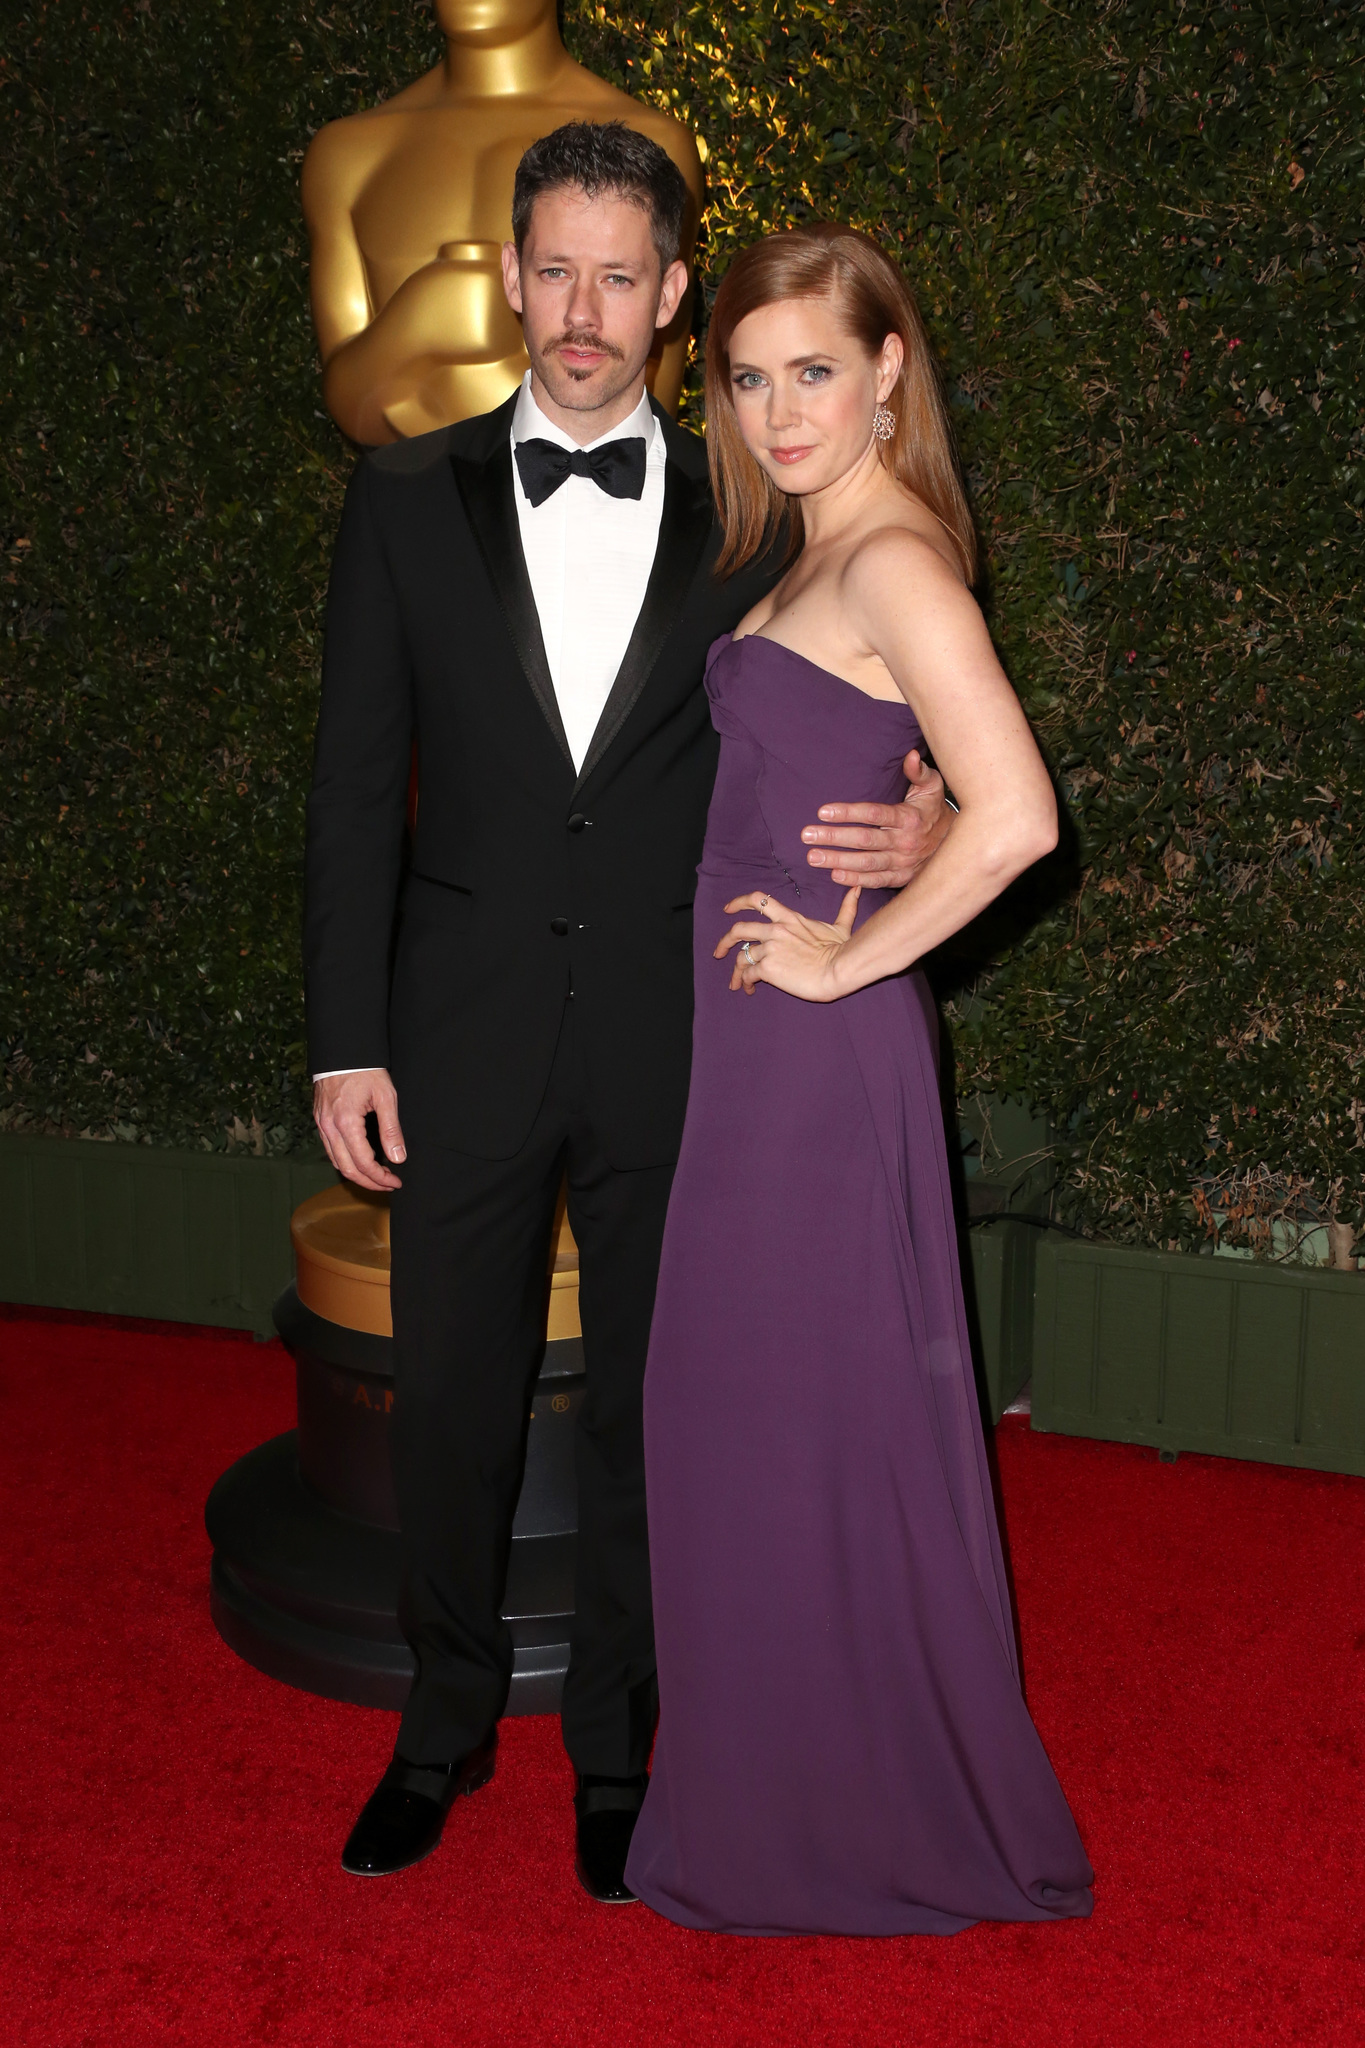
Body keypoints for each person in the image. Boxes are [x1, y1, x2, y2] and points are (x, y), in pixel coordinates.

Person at [304, 127, 949, 1899]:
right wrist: (344, 1036)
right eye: (555, 268)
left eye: (623, 275)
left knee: (654, 1412)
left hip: (698, 1033)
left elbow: (909, 699)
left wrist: (927, 826)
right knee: (451, 1396)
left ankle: (617, 1745)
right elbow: (355, 789)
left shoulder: (761, 504)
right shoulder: (402, 495)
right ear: (511, 274)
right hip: (459, 1030)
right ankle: (438, 1728)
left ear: (673, 297)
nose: (584, 311)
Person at [624, 224, 1095, 1935]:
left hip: (813, 1060)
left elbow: (1022, 813)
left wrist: (858, 945)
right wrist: (900, 857)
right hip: (763, 1056)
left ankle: (825, 1818)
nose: (774, 410)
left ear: (890, 367)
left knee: (771, 1424)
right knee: (770, 1426)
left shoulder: (891, 561)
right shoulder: (817, 556)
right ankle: (792, 1789)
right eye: (746, 380)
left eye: (812, 371)